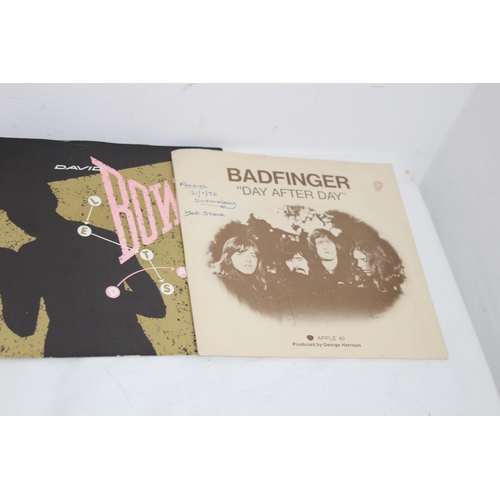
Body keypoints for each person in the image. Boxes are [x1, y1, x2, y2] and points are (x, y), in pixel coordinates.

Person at [212, 236, 287, 318]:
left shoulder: (262, 287)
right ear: (228, 259)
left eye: (252, 255)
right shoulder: (219, 283)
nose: (248, 259)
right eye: (241, 254)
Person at [350, 239, 406, 314]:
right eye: (356, 260)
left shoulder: (395, 282)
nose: (359, 265)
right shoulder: (359, 283)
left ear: (376, 259)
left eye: (364, 259)